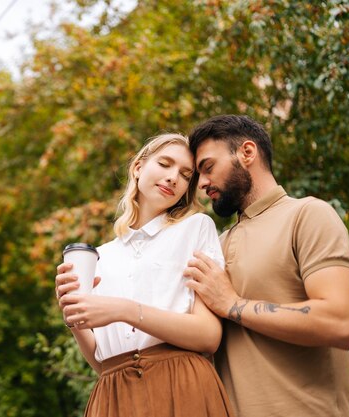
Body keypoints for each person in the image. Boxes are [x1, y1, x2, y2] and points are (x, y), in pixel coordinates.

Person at [183, 115, 349, 417]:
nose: (202, 184)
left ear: (247, 153)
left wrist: (233, 304)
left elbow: (342, 323)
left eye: (208, 167)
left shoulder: (307, 215)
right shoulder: (216, 246)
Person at [55, 133, 235, 417]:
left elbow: (208, 336)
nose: (173, 177)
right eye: (164, 164)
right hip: (114, 393)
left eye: (185, 174)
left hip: (181, 385)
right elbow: (102, 363)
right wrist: (73, 316)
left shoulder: (195, 228)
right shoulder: (100, 257)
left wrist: (125, 310)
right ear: (138, 167)